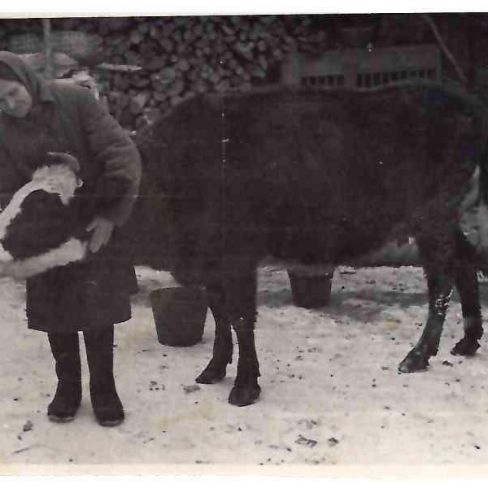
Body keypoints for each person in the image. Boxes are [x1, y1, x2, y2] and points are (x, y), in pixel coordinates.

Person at [0, 51, 142, 427]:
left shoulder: (74, 100)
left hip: (94, 216)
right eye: (0, 101)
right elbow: (3, 185)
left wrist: (110, 217)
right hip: (42, 232)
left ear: (26, 80)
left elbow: (122, 154)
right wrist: (18, 229)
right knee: (54, 310)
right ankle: (67, 387)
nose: (10, 105)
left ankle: (104, 388)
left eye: (12, 93)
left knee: (97, 308)